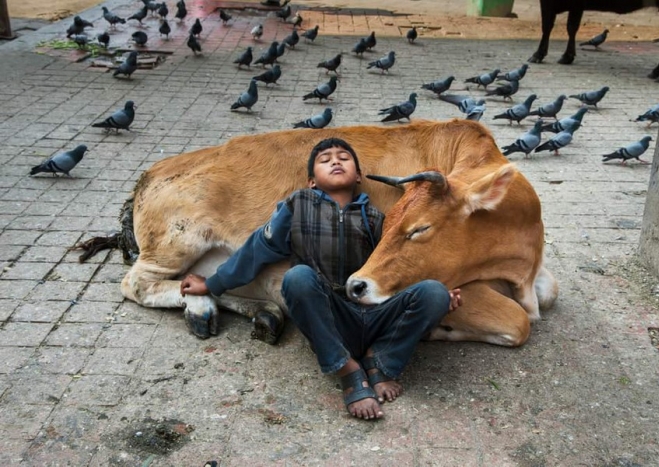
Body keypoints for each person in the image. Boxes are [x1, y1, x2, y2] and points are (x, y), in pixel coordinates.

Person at [181, 138, 461, 420]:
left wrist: (440, 299)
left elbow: (395, 267)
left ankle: (380, 362)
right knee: (298, 277)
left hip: (374, 315)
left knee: (434, 292)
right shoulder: (297, 205)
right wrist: (211, 284)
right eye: (325, 160)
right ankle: (346, 369)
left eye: (344, 158)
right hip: (330, 318)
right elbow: (257, 249)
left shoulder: (376, 218)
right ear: (312, 181)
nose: (336, 161)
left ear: (359, 175)